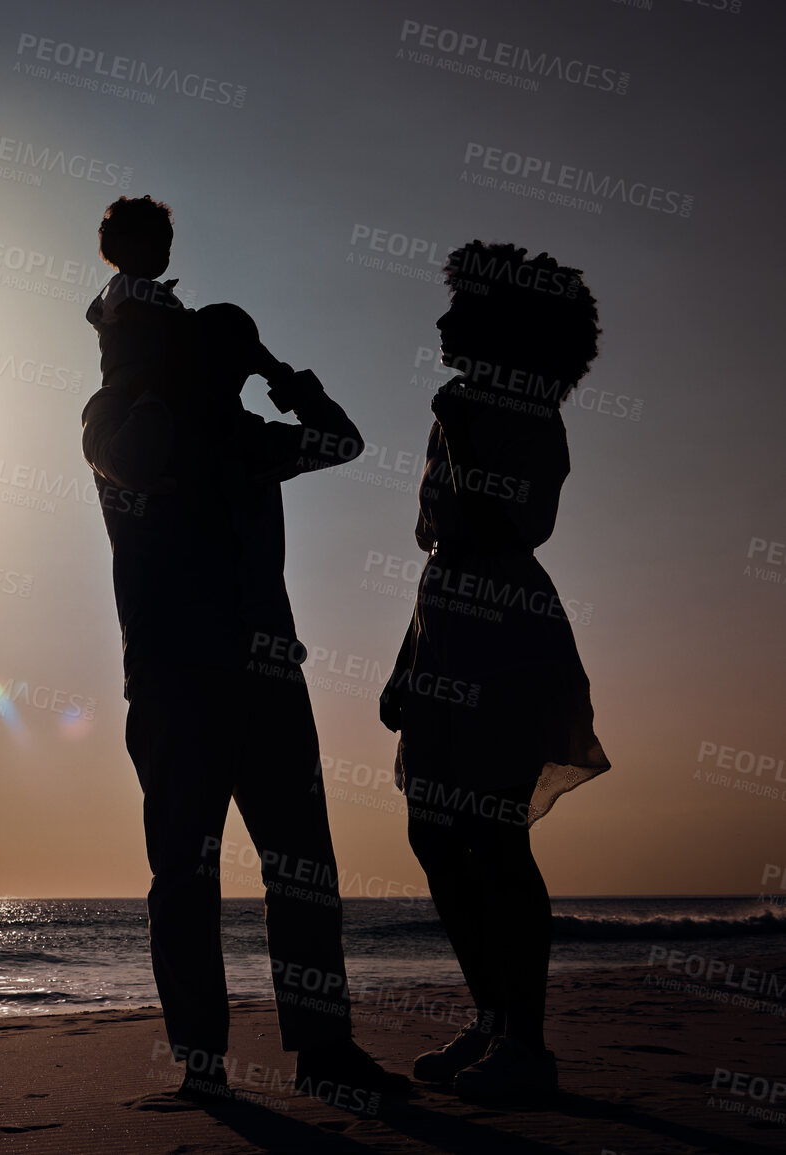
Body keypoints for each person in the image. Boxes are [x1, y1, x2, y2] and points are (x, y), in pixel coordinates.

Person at [82, 195, 408, 1109]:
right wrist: (161, 348)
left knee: (301, 869)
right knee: (185, 873)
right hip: (177, 675)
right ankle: (202, 1061)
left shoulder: (246, 438)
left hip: (266, 672)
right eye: (220, 361)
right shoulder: (120, 419)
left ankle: (324, 1051)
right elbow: (140, 450)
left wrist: (274, 371)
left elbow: (341, 439)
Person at [378, 240, 609, 1106]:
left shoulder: (519, 415)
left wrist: (467, 432)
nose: (440, 322)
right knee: (433, 834)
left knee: (493, 835)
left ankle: (527, 1042)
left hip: (506, 632)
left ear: (494, 327)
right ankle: (491, 1016)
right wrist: (407, 662)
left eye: (458, 310)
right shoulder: (460, 409)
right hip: (445, 627)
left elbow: (499, 528)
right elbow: (440, 551)